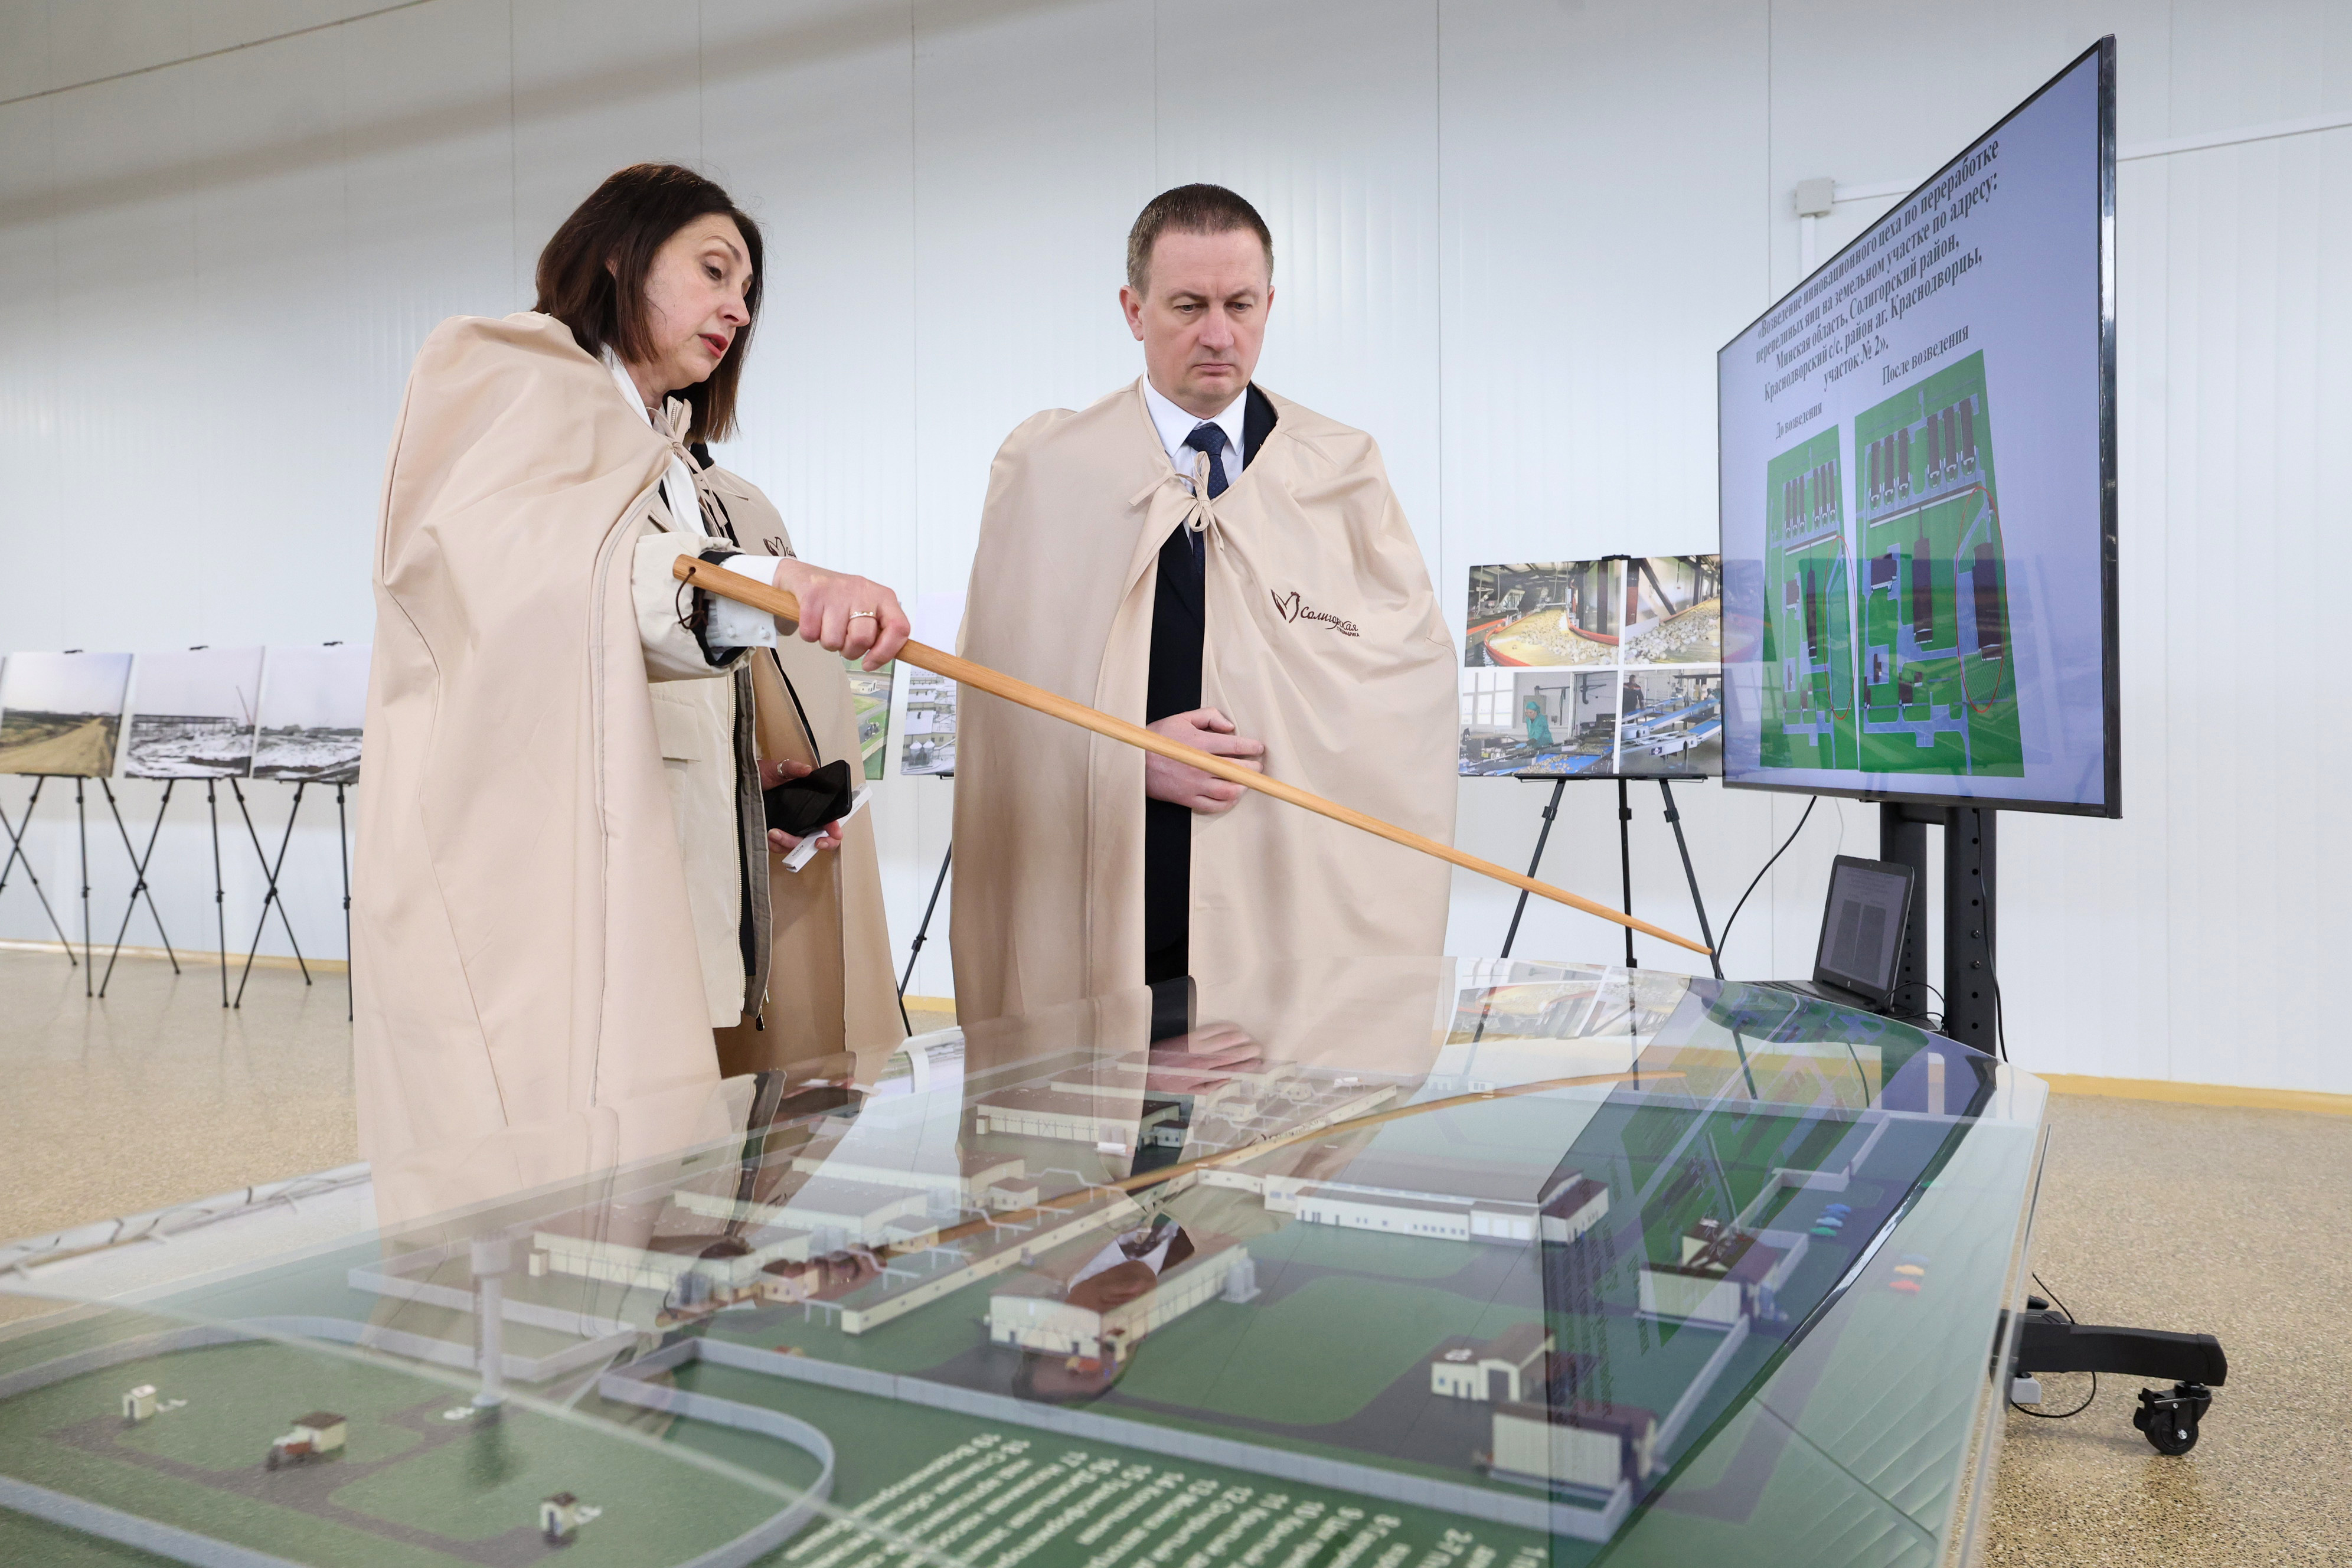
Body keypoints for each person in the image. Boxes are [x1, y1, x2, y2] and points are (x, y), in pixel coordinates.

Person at [354, 164, 909, 1227]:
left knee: (675, 1196)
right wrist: (778, 586)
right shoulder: (508, 380)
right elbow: (537, 585)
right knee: (565, 1204)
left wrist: (753, 787)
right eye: (713, 271)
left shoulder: (678, 467)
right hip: (545, 888)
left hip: (682, 888)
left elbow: (637, 662)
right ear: (619, 257)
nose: (737, 308)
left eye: (748, 289)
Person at [949, 185, 1456, 1024]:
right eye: (1188, 306)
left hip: (1280, 894)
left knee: (1268, 1095)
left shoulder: (1340, 472)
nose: (1219, 335)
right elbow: (997, 710)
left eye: (1240, 305)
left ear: (1269, 305)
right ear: (1134, 310)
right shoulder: (1050, 471)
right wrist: (1123, 758)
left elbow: (1407, 697)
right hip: (1105, 884)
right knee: (1105, 1093)